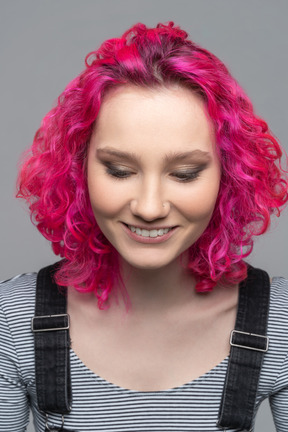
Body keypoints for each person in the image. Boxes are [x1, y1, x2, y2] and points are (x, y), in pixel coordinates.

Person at [0, 21, 288, 432]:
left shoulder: (280, 321)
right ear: (78, 171)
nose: (149, 208)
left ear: (230, 177)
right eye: (119, 170)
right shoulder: (12, 320)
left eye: (185, 173)